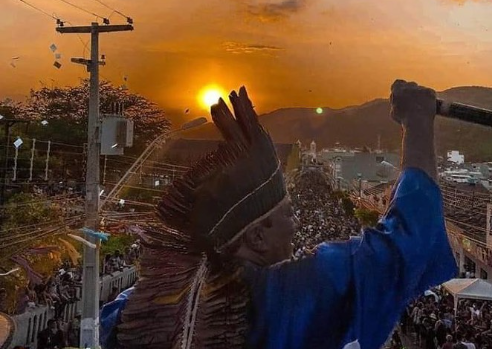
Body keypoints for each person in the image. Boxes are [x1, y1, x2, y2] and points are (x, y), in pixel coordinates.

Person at [100, 81, 458, 349]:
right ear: (256, 236)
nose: (297, 222)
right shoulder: (290, 294)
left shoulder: (138, 309)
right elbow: (408, 244)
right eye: (287, 214)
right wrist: (417, 122)